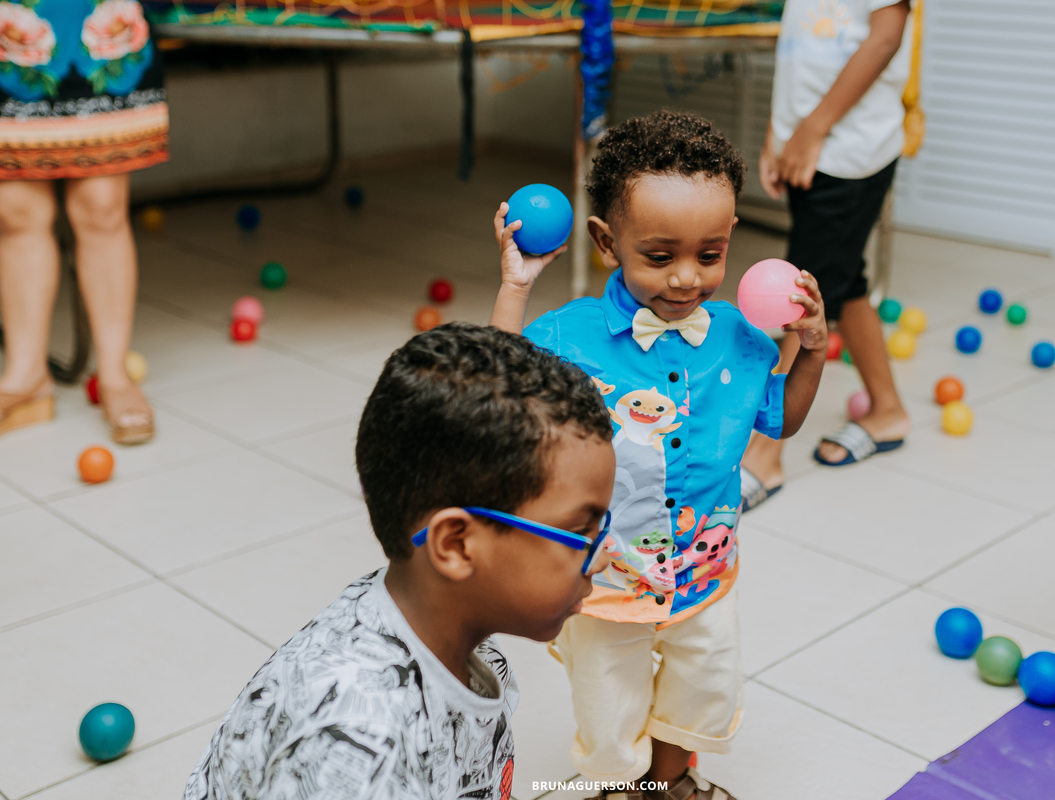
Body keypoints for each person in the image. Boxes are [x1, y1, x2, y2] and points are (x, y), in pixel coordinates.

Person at [489, 110, 827, 800]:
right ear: (608, 242)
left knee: (699, 686)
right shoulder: (569, 335)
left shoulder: (739, 336)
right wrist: (517, 286)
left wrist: (811, 347)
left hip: (704, 571)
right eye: (659, 255)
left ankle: (672, 782)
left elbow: (782, 419)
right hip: (608, 578)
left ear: (731, 238)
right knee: (609, 706)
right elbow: (497, 387)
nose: (685, 279)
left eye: (709, 256)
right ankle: (621, 788)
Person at [184, 323, 616, 799]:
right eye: (580, 532)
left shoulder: (449, 629)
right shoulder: (354, 750)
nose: (602, 558)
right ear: (455, 545)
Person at [749, 0, 915, 474]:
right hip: (809, 143)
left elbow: (886, 37)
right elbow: (798, 51)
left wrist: (812, 128)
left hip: (850, 150)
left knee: (802, 293)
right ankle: (886, 410)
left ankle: (765, 455)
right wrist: (778, 134)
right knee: (843, 274)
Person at [0, 0, 168, 443]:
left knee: (101, 205)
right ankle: (25, 377)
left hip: (96, 16)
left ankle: (114, 374)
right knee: (15, 209)